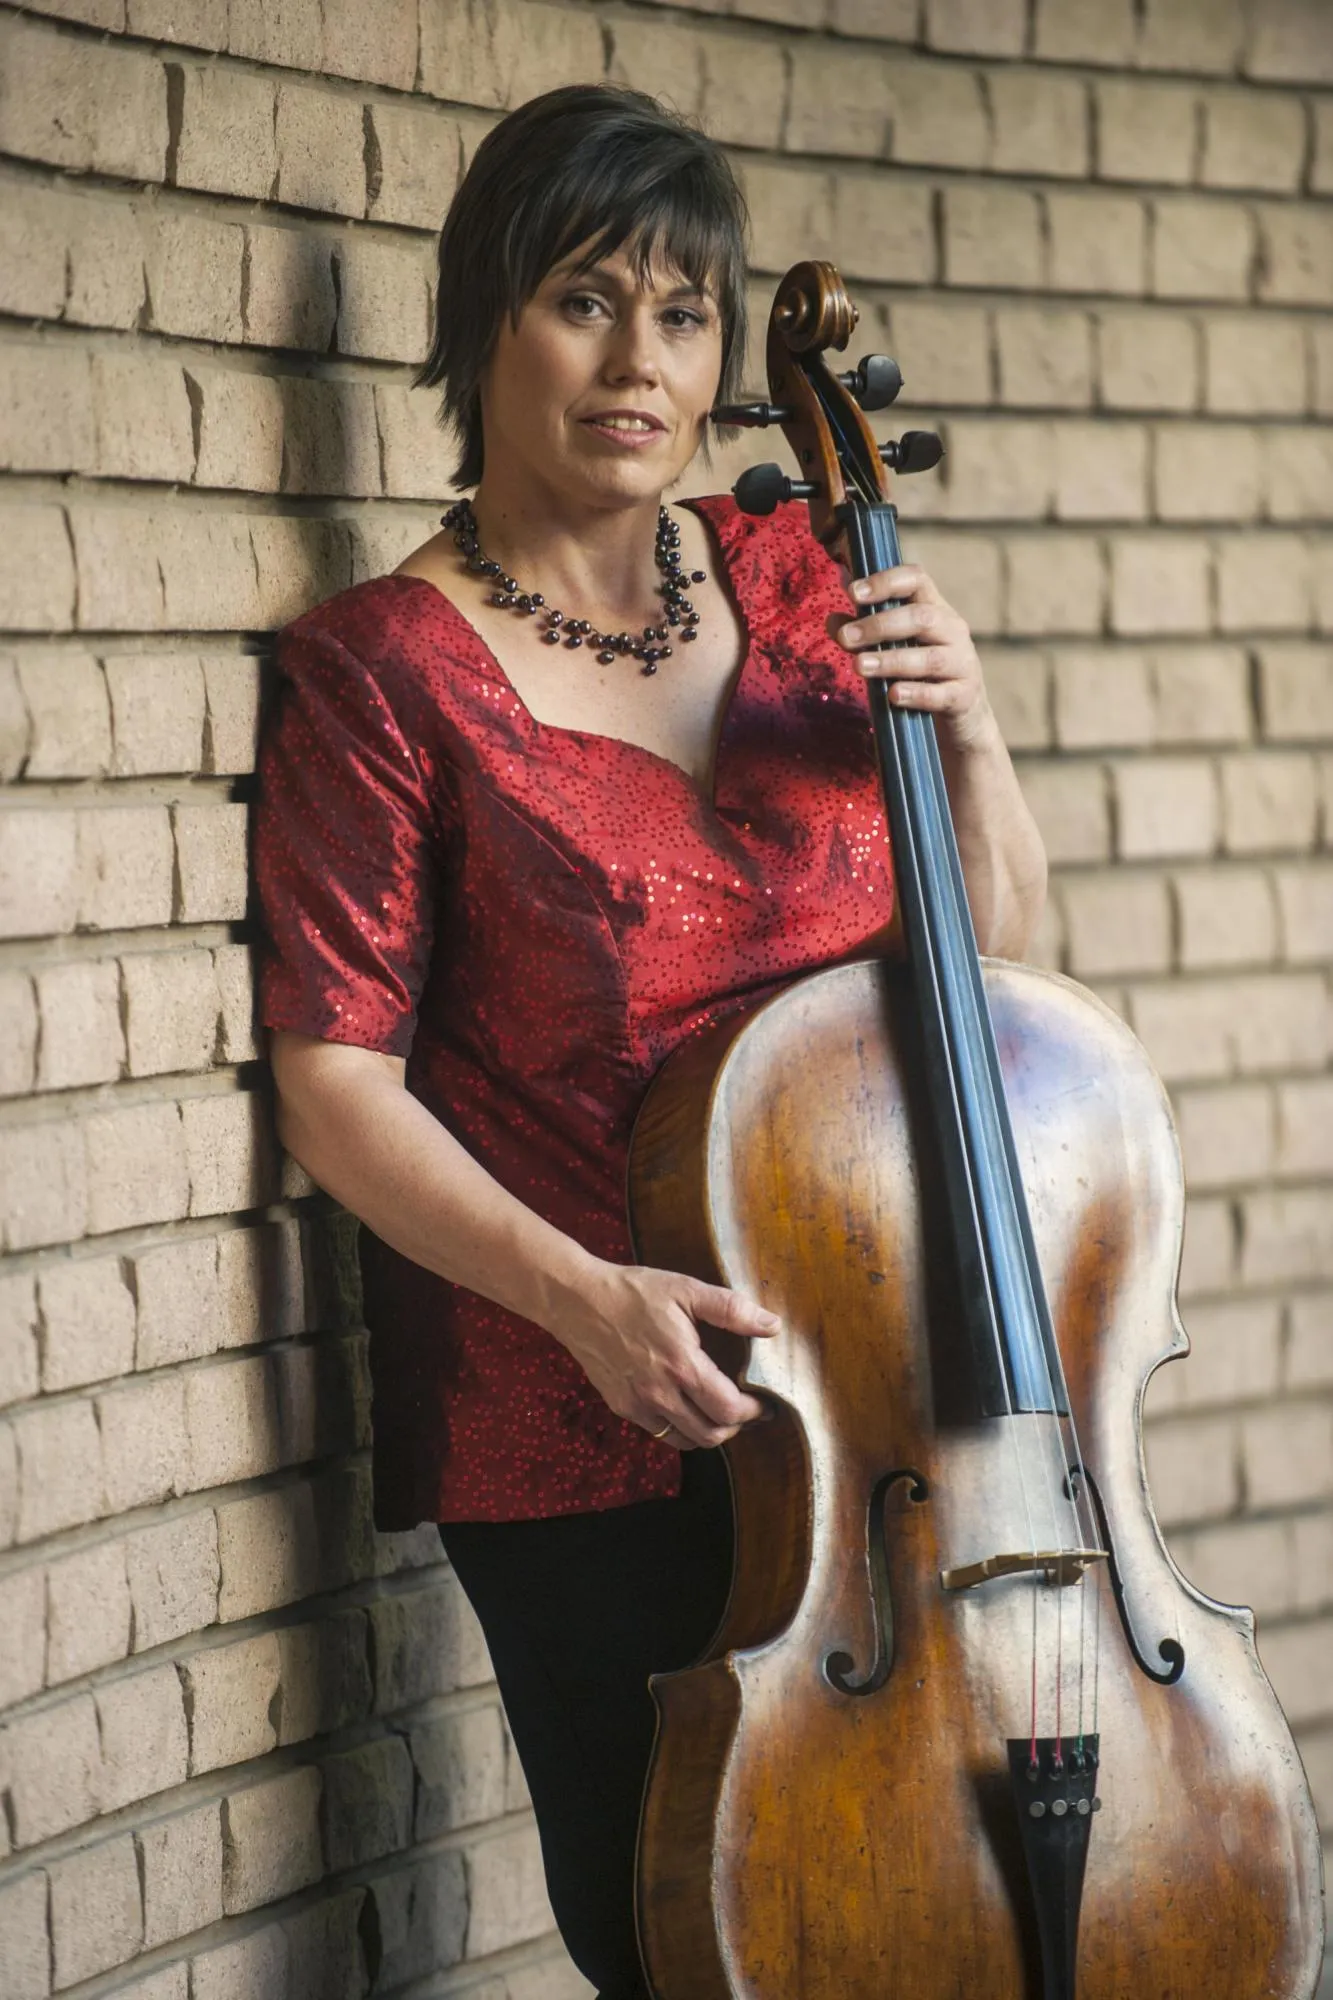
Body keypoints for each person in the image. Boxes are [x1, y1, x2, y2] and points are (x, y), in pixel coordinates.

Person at [255, 83, 1047, 2000]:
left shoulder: (798, 579)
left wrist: (972, 730)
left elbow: (999, 986)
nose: (641, 364)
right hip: (584, 1402)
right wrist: (582, 1301)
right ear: (481, 323)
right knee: (696, 1934)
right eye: (584, 301)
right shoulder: (382, 669)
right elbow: (336, 1082)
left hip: (887, 1364)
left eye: (685, 315)